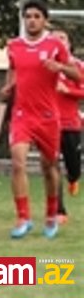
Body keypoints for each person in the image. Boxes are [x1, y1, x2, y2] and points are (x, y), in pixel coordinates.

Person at [0, 0, 81, 239]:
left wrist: (59, 67)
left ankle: (50, 214)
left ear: (45, 20)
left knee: (49, 167)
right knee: (17, 162)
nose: (32, 20)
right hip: (22, 115)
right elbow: (13, 70)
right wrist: (9, 87)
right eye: (28, 16)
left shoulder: (55, 45)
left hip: (47, 115)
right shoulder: (14, 46)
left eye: (36, 16)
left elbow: (76, 74)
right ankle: (23, 218)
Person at [52, 27, 83, 224]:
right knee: (52, 166)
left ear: (69, 43)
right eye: (55, 39)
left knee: (74, 165)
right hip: (48, 123)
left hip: (71, 123)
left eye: (62, 38)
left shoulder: (77, 66)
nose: (59, 42)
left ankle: (73, 178)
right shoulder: (45, 66)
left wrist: (67, 91)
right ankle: (59, 210)